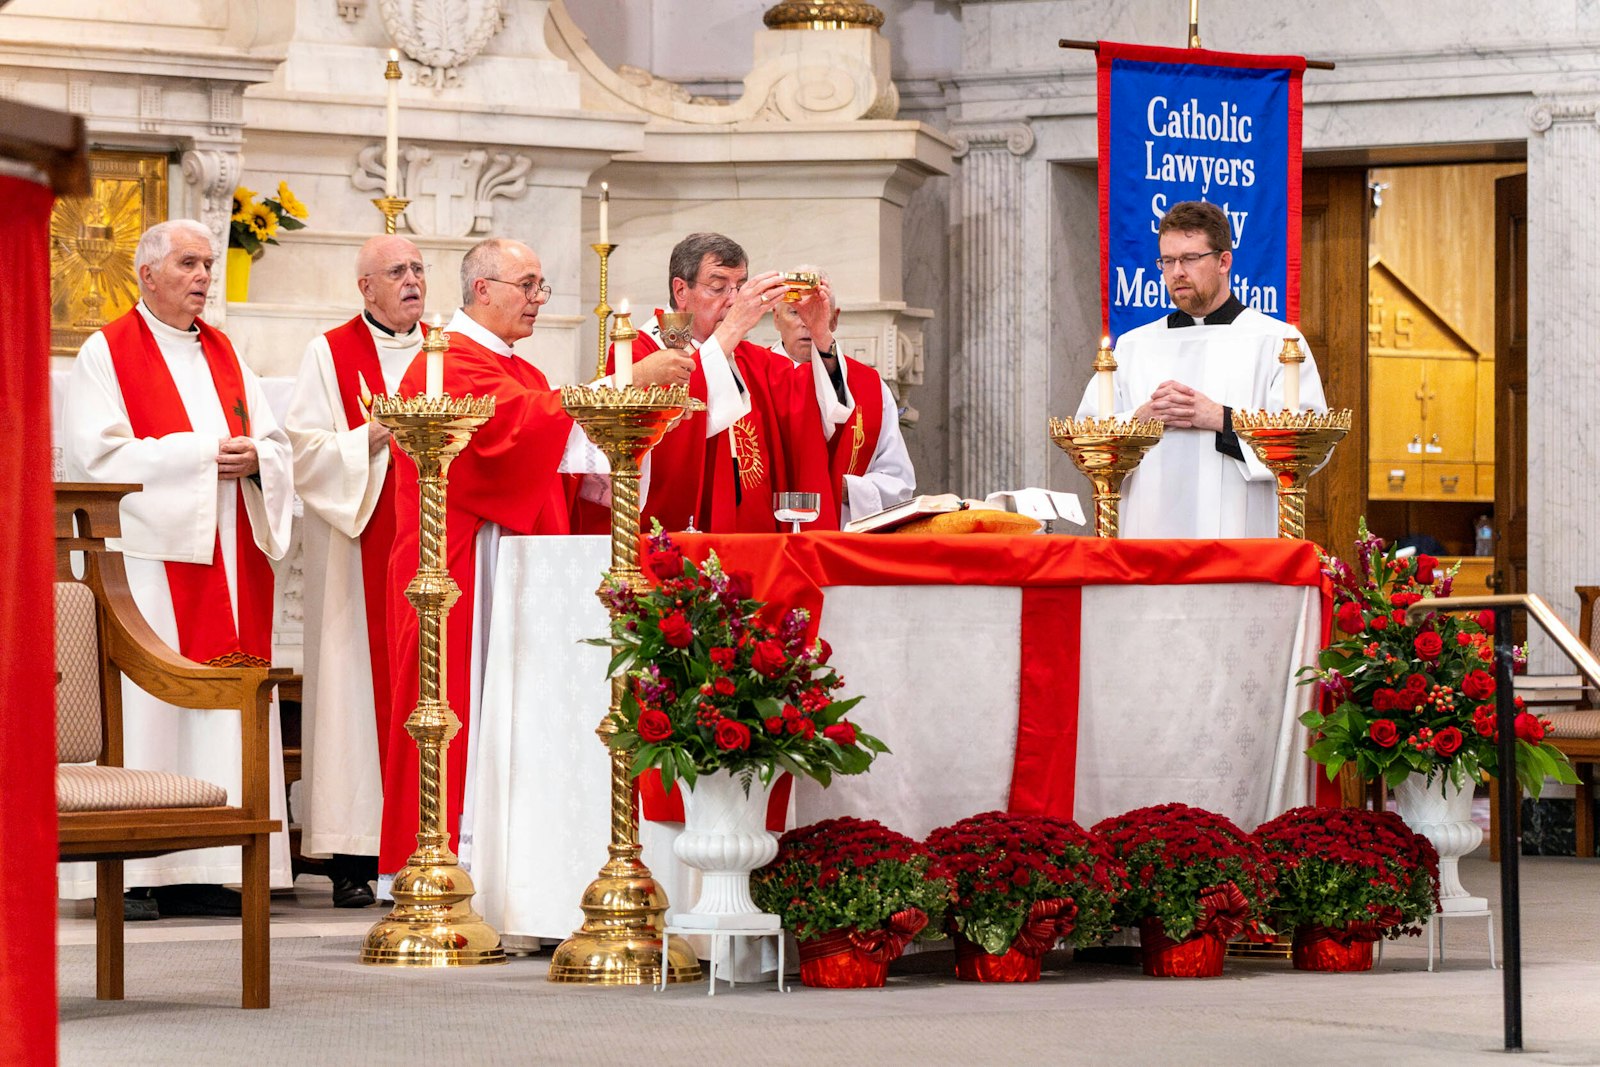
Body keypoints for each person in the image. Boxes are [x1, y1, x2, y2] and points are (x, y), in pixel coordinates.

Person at [378, 237, 673, 880]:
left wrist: (621, 440)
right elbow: (509, 436)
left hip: (516, 568)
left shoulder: (522, 370)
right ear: (482, 289)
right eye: (528, 285)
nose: (539, 299)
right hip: (461, 571)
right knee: (460, 708)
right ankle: (450, 860)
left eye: (542, 286)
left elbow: (558, 455)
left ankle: (517, 864)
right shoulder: (448, 362)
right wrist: (622, 385)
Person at [60, 218, 295, 919]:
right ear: (148, 273)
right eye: (189, 264)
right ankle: (131, 869)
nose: (202, 278)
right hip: (153, 561)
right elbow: (93, 457)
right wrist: (199, 457)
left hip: (229, 552)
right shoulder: (107, 352)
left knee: (220, 704)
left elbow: (275, 441)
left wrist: (261, 459)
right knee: (153, 704)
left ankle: (206, 862)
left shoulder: (226, 352)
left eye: (207, 266)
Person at [284, 235, 427, 908]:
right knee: (352, 693)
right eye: (396, 271)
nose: (412, 280)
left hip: (430, 541)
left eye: (419, 268)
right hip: (359, 542)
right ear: (365, 287)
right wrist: (367, 438)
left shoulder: (448, 348)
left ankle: (425, 840)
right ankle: (353, 853)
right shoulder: (329, 351)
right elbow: (303, 450)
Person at [1077, 200, 1328, 538]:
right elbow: (1086, 439)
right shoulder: (1135, 345)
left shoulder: (1277, 341)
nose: (1177, 271)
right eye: (1167, 260)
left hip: (1240, 535)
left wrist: (1219, 418)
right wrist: (1141, 419)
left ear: (1224, 261)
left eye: (1190, 258)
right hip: (1147, 534)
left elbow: (1310, 448)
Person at [609, 232, 848, 533]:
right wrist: (732, 329)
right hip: (678, 541)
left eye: (740, 287)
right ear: (681, 290)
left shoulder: (752, 359)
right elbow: (651, 443)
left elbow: (817, 409)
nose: (734, 301)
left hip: (756, 539)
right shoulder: (641, 353)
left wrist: (821, 333)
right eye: (719, 287)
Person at [770, 268, 915, 525]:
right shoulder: (753, 379)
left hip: (841, 537)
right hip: (766, 535)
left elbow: (899, 484)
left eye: (815, 312)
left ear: (834, 320)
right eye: (795, 312)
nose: (806, 322)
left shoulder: (870, 388)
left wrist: (845, 488)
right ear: (776, 318)